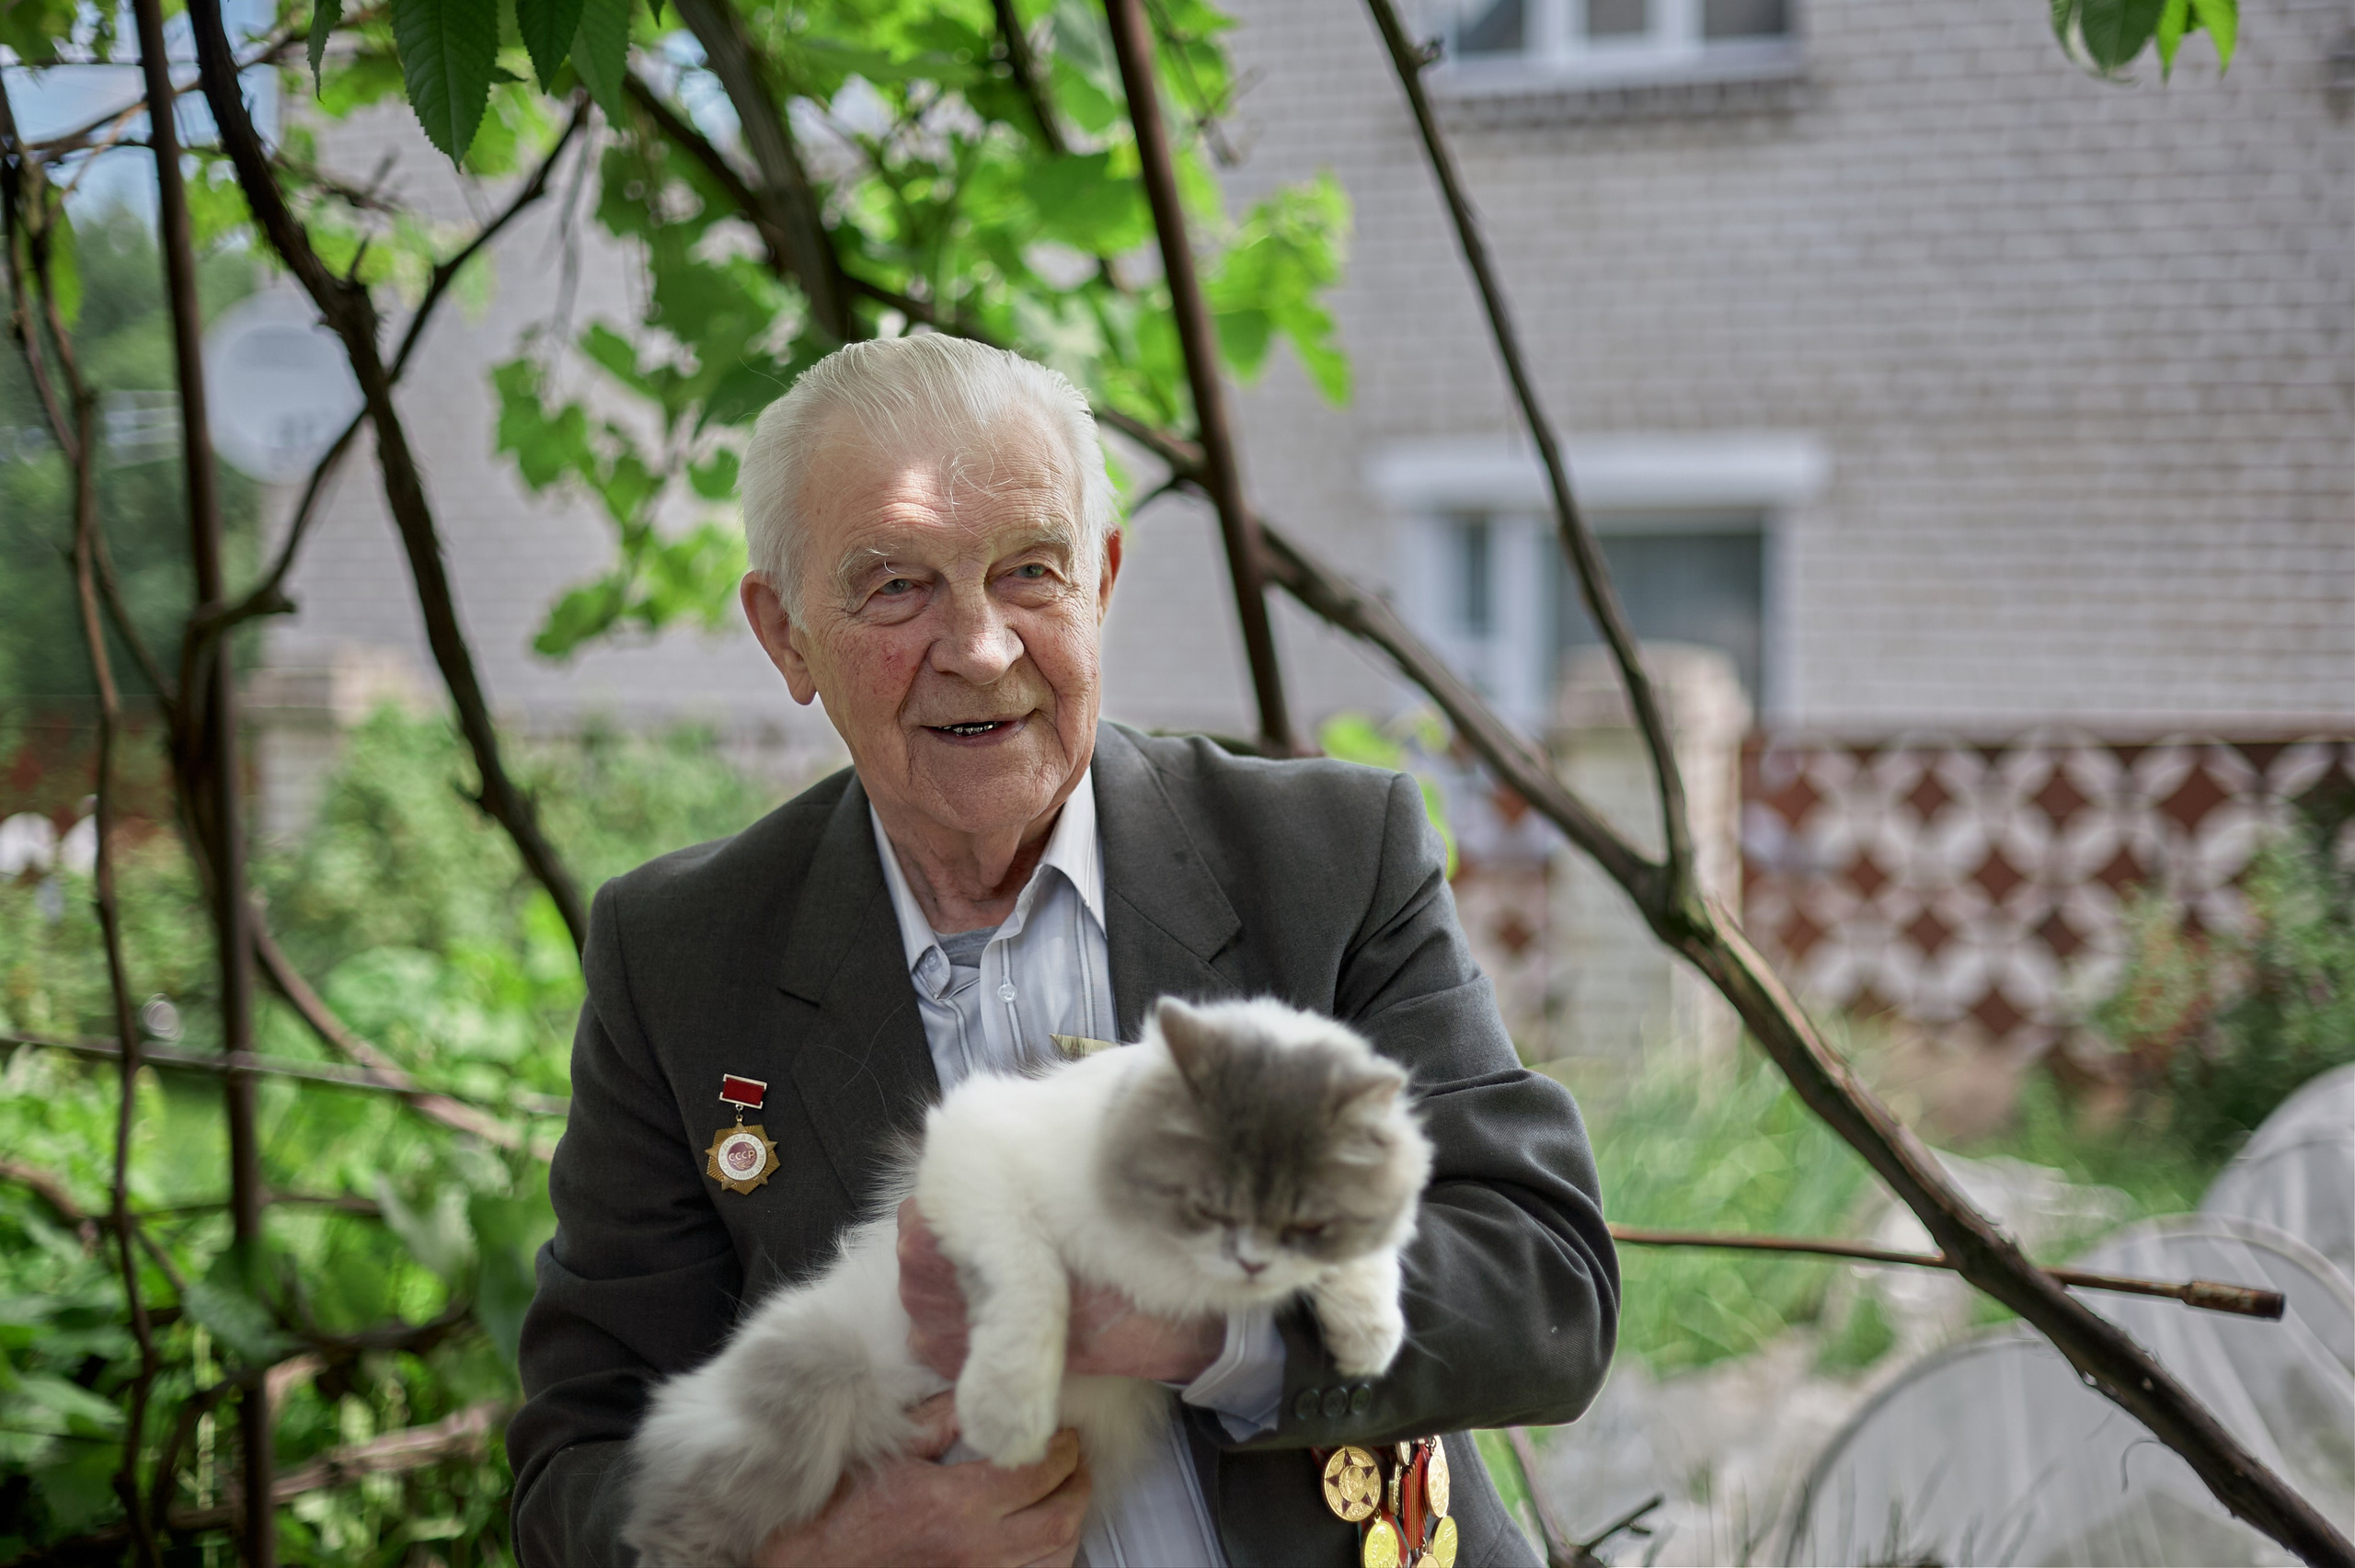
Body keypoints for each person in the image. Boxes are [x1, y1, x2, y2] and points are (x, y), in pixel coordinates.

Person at [507, 334, 1618, 1567]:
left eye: (1030, 569)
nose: (980, 647)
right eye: (895, 586)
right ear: (786, 636)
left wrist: (1188, 1325)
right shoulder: (682, 958)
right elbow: (577, 1461)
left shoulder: (1324, 858)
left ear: (1101, 581)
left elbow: (1547, 1285)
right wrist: (810, 1549)